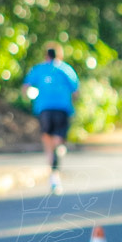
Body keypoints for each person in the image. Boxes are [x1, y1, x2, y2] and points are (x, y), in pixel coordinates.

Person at [22, 42, 79, 195]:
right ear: (59, 55)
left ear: (46, 55)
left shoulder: (38, 68)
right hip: (62, 108)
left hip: (44, 109)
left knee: (47, 141)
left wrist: (31, 98)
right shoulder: (66, 69)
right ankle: (58, 152)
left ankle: (53, 174)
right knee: (59, 139)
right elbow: (76, 92)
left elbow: (25, 87)